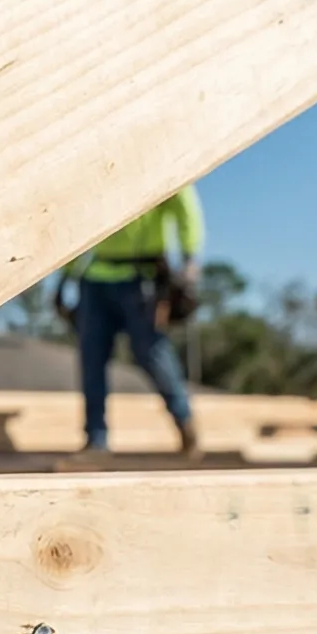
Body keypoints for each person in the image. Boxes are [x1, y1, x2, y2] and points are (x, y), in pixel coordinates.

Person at [60, 184, 203, 457]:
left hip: (142, 278)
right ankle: (96, 439)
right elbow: (75, 218)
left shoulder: (159, 163)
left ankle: (185, 422)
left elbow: (185, 207)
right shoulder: (94, 171)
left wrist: (189, 256)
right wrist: (67, 273)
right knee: (92, 358)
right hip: (96, 277)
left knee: (152, 353)